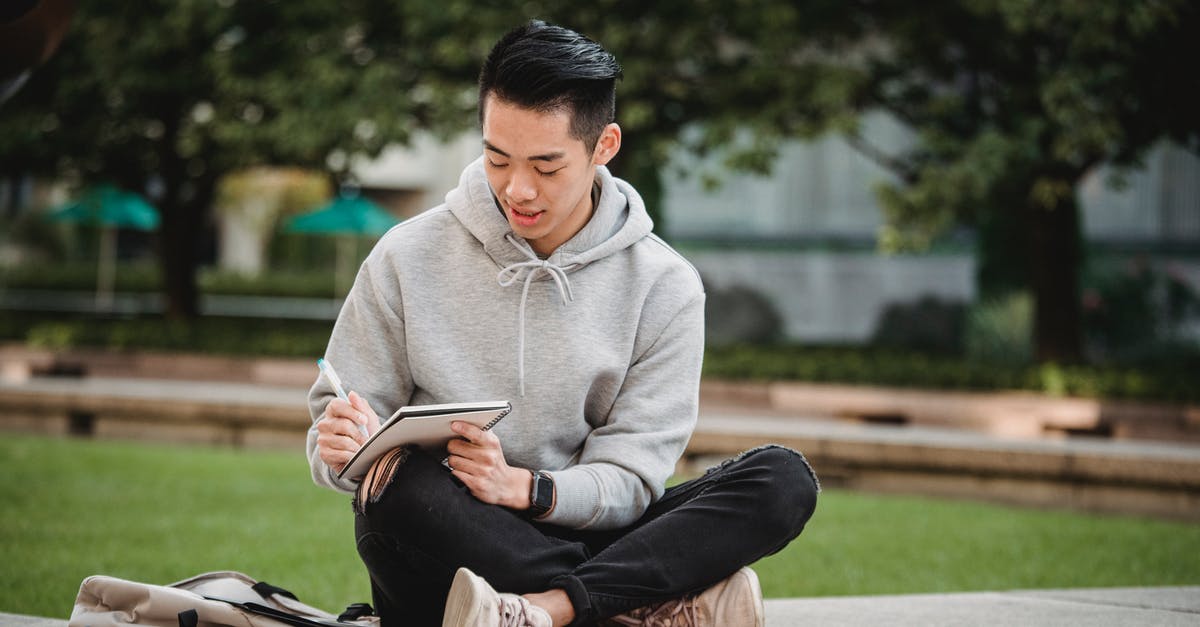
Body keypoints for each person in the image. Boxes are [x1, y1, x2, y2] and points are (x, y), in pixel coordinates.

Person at [307, 20, 819, 627]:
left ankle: (549, 610)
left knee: (781, 480)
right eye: (497, 159)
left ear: (603, 146)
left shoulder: (664, 285)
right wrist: (338, 447)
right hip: (449, 549)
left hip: (582, 529)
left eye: (546, 167)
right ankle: (633, 606)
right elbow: (338, 439)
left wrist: (527, 489)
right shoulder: (405, 256)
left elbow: (632, 478)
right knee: (395, 484)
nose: (517, 189)